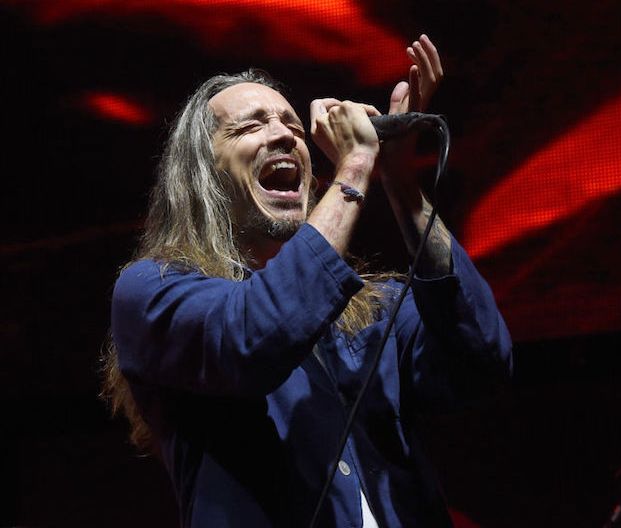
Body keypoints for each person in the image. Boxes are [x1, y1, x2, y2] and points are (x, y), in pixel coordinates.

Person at [104, 35, 512, 527]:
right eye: (250, 126)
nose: (284, 136)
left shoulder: (367, 310)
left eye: (293, 125)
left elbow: (481, 357)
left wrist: (400, 183)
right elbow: (254, 336)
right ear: (204, 175)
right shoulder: (152, 290)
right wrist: (355, 166)